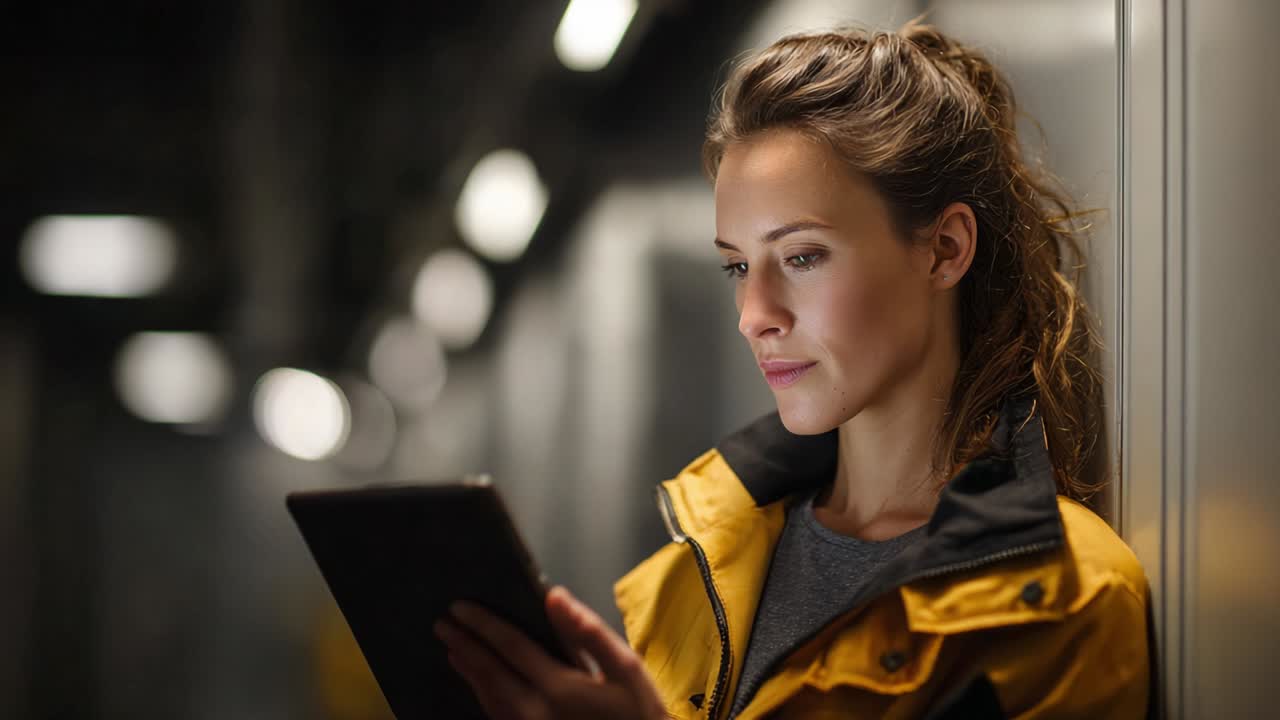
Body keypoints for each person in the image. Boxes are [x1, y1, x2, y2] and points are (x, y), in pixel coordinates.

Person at [433, 19, 1152, 720]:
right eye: (738, 267)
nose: (755, 313)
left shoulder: (1064, 599)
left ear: (944, 249)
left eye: (801, 257)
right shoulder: (708, 565)